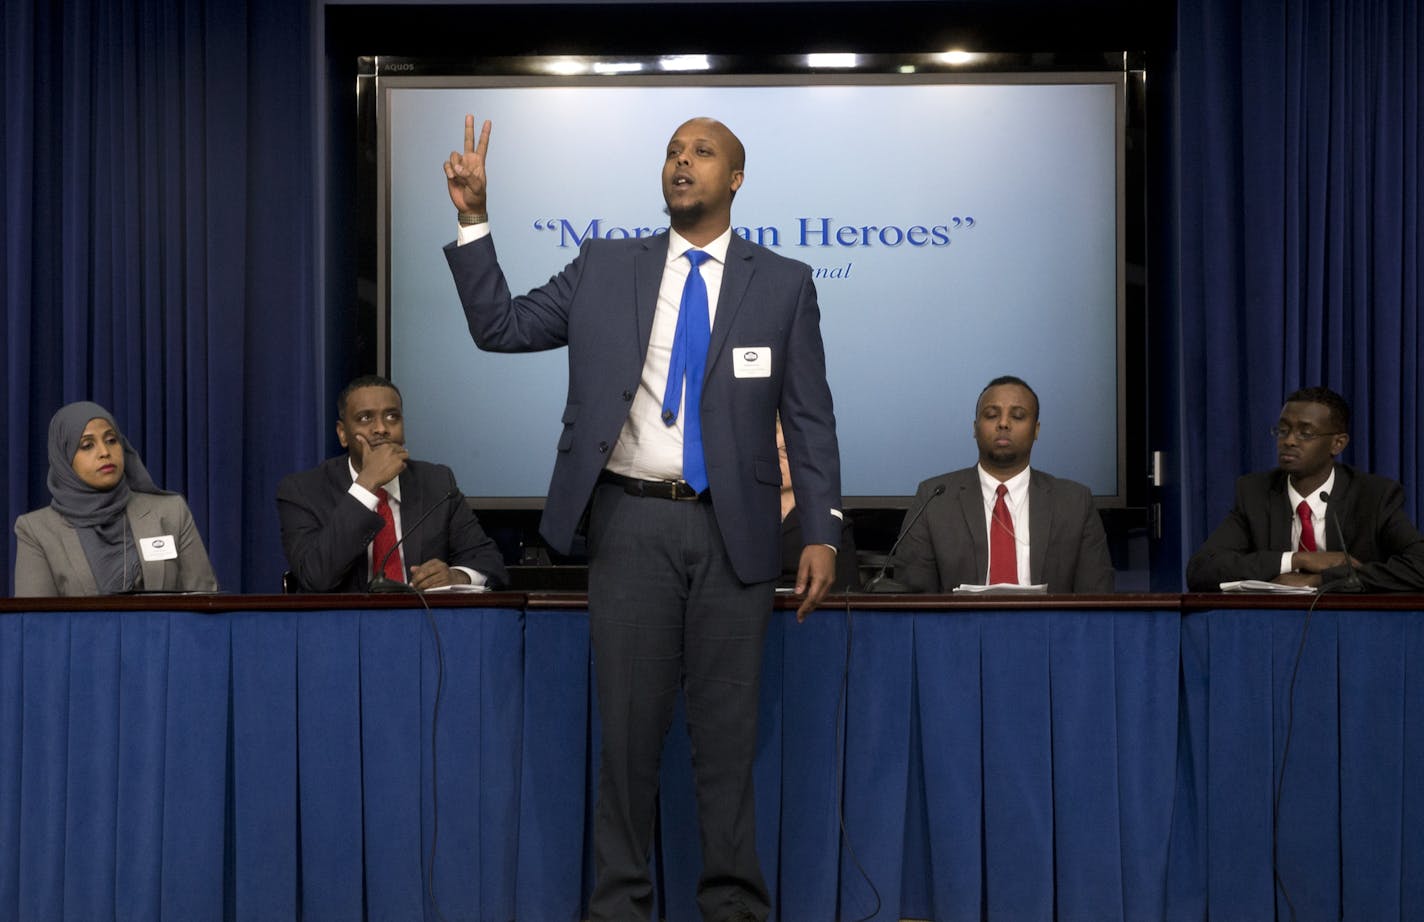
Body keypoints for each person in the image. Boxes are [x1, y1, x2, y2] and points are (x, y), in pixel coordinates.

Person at [442, 115, 842, 922]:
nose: (681, 164)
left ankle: (733, 908)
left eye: (702, 154)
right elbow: (499, 327)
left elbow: (810, 419)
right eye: (672, 152)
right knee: (626, 741)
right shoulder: (604, 265)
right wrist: (473, 218)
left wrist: (825, 530)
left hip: (736, 533)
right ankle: (619, 908)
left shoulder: (785, 282)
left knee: (727, 743)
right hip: (630, 526)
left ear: (735, 179)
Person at [276, 375, 507, 592]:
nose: (381, 428)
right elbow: (316, 577)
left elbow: (490, 563)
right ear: (342, 434)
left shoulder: (437, 483)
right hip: (342, 628)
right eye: (365, 418)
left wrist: (457, 577)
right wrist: (367, 485)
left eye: (392, 417)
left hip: (422, 626)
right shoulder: (303, 491)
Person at [886, 375, 1114, 593]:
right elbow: (913, 599)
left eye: (1017, 416)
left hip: (1048, 632)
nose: (1003, 423)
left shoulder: (1074, 502)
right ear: (975, 428)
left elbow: (1097, 596)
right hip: (958, 631)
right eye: (992, 415)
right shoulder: (934, 499)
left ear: (1036, 430)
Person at [1186, 386, 1424, 591]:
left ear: (1337, 443)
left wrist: (1320, 579)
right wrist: (1298, 559)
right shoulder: (1254, 492)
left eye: (1305, 433)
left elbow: (1419, 566)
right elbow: (1202, 569)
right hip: (1274, 626)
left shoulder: (1374, 496)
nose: (1289, 441)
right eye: (1283, 430)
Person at [13, 401, 219, 596]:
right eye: (87, 445)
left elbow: (205, 601)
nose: (105, 452)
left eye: (112, 440)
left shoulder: (171, 512)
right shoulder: (36, 530)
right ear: (64, 460)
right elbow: (34, 623)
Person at [776, 416, 859, 590]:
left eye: (784, 451)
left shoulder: (828, 525)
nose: (777, 459)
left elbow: (848, 598)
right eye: (769, 451)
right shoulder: (743, 517)